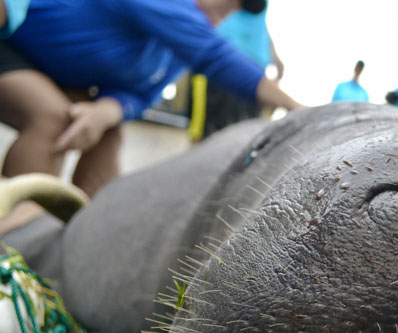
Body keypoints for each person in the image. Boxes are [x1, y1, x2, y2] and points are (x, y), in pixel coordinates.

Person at [0, 0, 303, 199]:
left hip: (49, 73)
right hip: (12, 45)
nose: (228, 7)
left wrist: (108, 110)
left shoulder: (172, 54)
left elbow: (143, 95)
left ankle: (81, 233)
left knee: (109, 133)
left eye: (236, 7)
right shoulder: (168, 7)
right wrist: (296, 106)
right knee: (54, 116)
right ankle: (15, 231)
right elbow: (215, 57)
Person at [189, 0, 286, 141]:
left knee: (247, 136)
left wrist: (275, 58)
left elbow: (260, 24)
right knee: (206, 134)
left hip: (256, 69)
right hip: (220, 64)